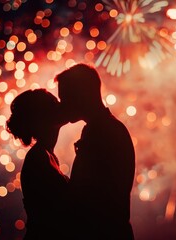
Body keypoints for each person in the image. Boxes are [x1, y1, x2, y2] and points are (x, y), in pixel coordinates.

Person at [55, 63, 136, 239]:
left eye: (65, 98)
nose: (62, 105)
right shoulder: (107, 127)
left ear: (80, 95)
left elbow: (87, 194)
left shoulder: (101, 132)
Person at [6, 88, 69, 240]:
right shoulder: (39, 159)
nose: (61, 105)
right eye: (54, 103)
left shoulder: (44, 155)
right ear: (44, 116)